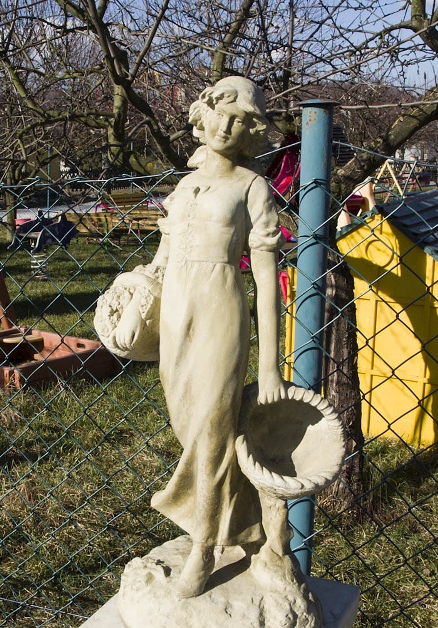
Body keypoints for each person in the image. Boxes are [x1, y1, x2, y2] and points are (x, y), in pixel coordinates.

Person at [114, 77, 285, 598]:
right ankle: (253, 526)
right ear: (202, 114)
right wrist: (134, 304)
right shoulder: (184, 187)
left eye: (241, 121)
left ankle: (204, 545)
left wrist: (270, 366)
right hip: (175, 312)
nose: (227, 127)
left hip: (220, 310)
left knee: (211, 427)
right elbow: (161, 261)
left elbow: (266, 281)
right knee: (191, 427)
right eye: (220, 113)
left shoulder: (252, 187)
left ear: (251, 131)